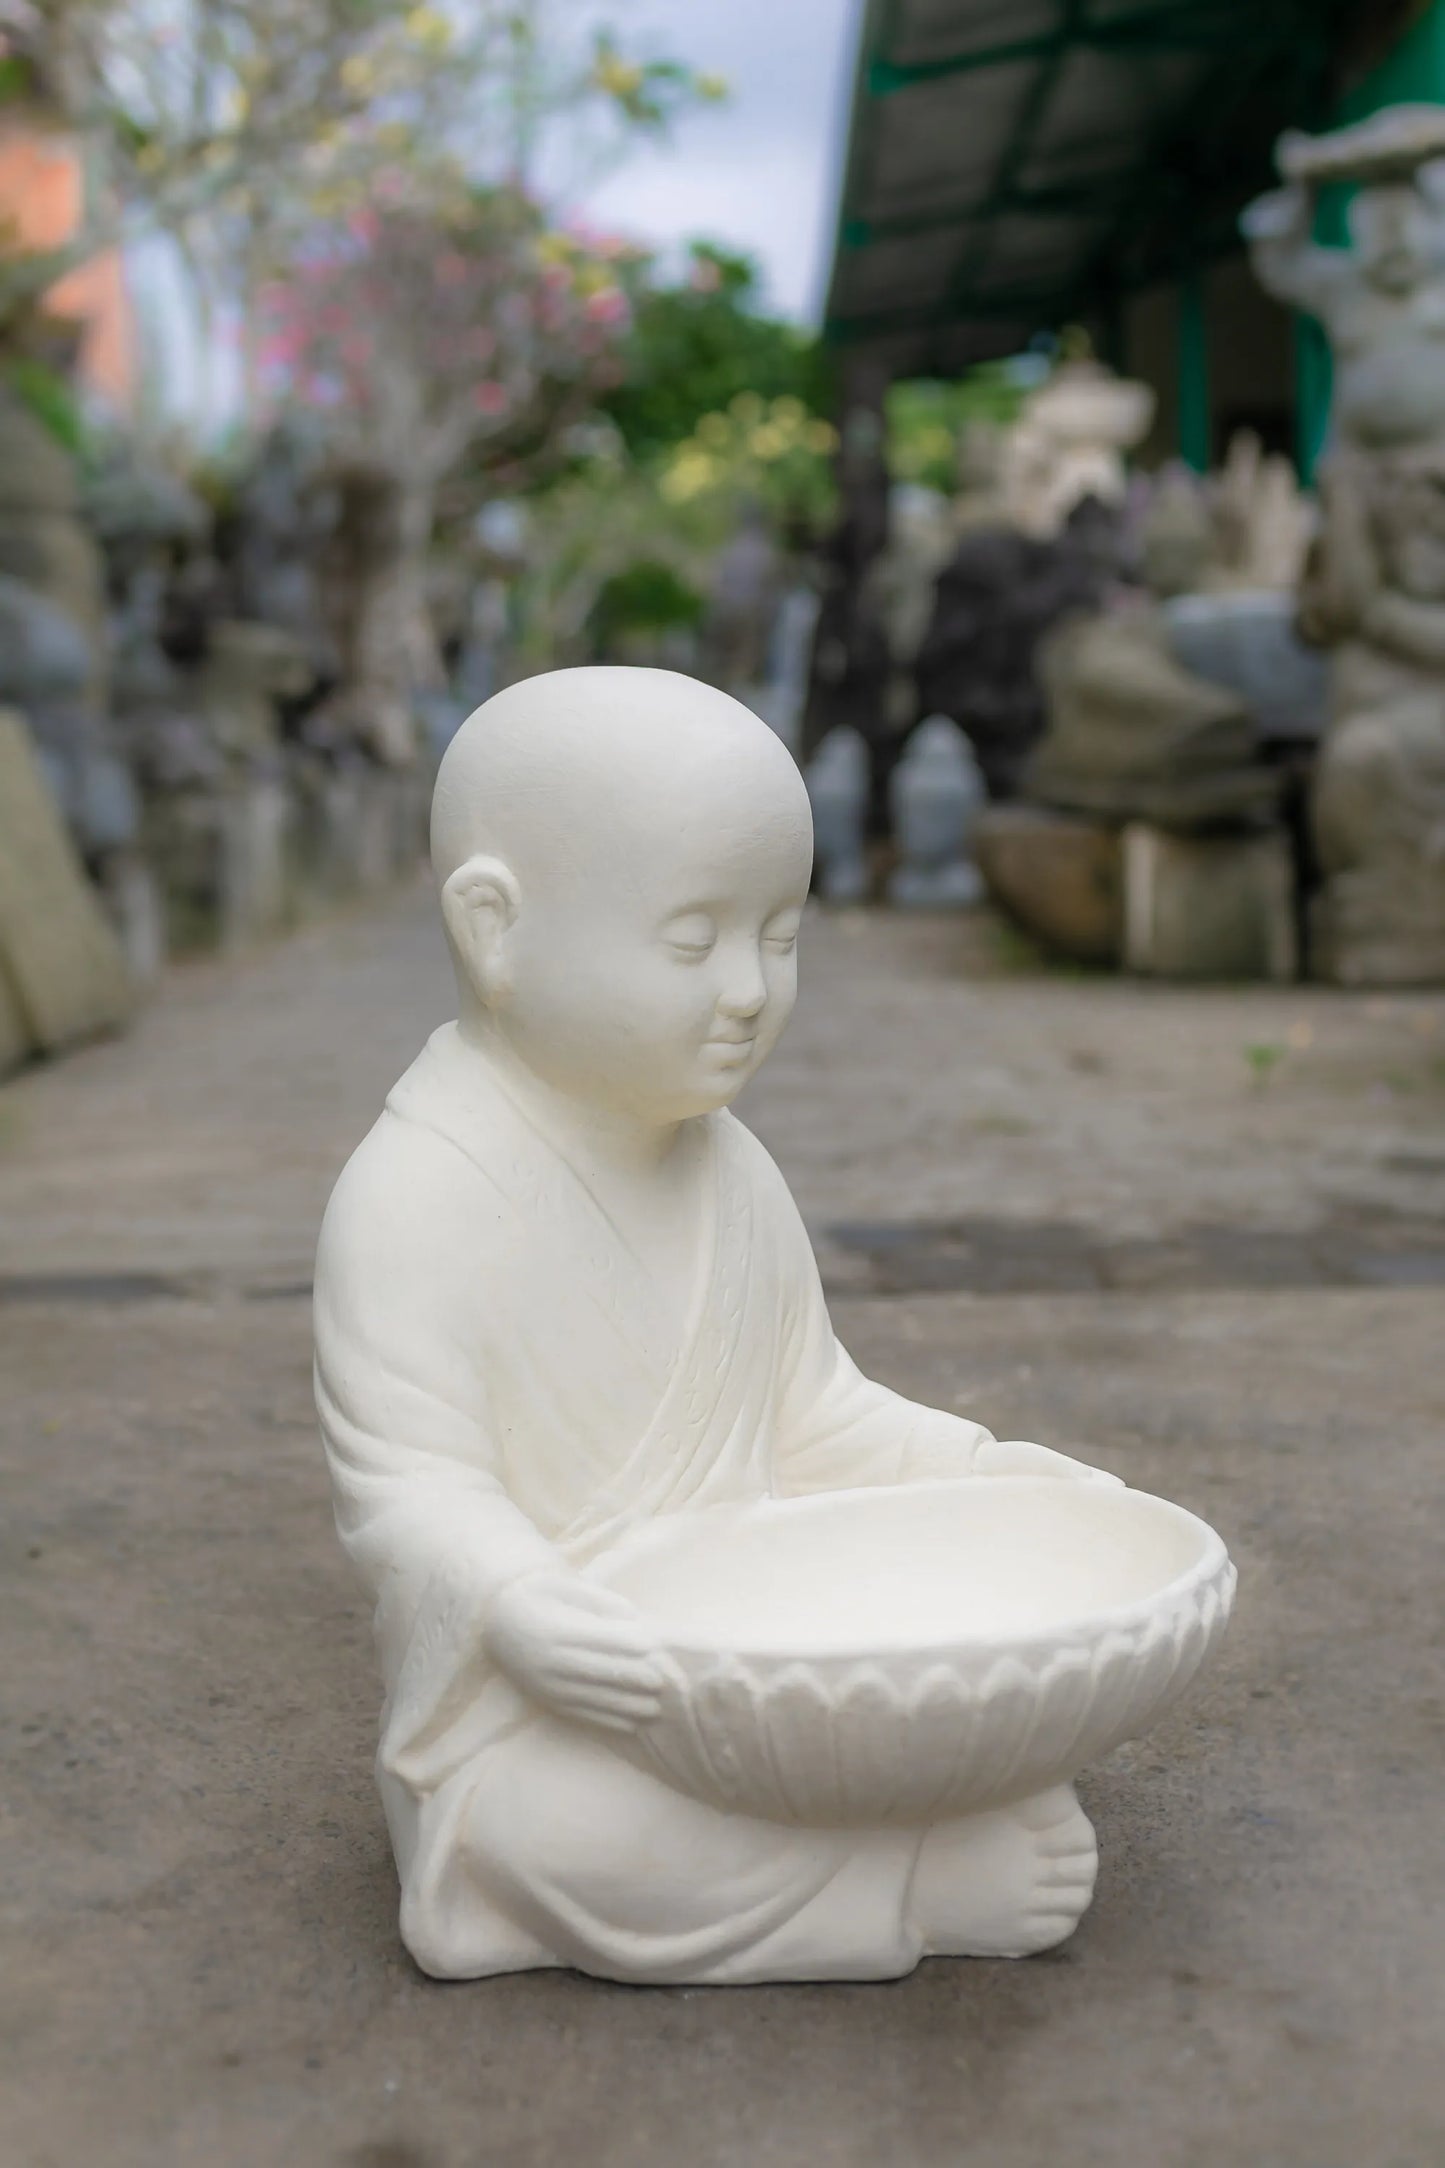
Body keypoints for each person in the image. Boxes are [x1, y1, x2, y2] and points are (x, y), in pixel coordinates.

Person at [314, 667, 1106, 1983]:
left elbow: (811, 1416)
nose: (747, 989)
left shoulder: (726, 1167)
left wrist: (983, 1475)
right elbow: (407, 1488)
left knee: (926, 1631)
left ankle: (867, 1806)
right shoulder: (413, 1201)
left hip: (752, 1643)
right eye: (692, 941)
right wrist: (515, 1602)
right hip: (563, 1702)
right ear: (493, 928)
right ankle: (897, 1879)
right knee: (563, 1829)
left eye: (779, 937)